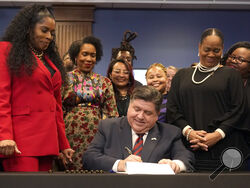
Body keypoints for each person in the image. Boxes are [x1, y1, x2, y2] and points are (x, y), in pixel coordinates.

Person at [0, 4, 74, 172]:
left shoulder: (49, 60)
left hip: (47, 141)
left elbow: (57, 108)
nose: (49, 37)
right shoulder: (6, 50)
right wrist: (4, 136)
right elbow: (1, 97)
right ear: (28, 29)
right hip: (20, 142)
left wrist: (63, 144)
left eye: (52, 33)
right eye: (44, 30)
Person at [166, 28, 249, 171]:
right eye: (207, 49)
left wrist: (217, 135)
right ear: (199, 47)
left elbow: (238, 109)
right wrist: (189, 132)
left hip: (224, 148)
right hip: (188, 148)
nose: (211, 54)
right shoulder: (181, 75)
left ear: (222, 50)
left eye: (216, 50)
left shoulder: (231, 75)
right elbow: (172, 110)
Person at [83, 86, 194, 173]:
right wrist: (120, 164)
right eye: (136, 109)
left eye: (148, 112)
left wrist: (175, 165)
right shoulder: (108, 127)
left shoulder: (170, 133)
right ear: (129, 107)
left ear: (157, 115)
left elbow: (186, 158)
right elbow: (89, 158)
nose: (140, 116)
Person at [62, 36, 118, 170]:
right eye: (85, 54)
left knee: (96, 172)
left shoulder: (105, 82)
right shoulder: (63, 79)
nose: (89, 59)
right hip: (70, 134)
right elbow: (58, 109)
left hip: (98, 135)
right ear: (75, 56)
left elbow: (112, 113)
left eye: (93, 55)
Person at [223, 41, 250, 170]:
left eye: (241, 59)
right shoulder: (213, 81)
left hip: (245, 148)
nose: (234, 61)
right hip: (215, 143)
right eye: (232, 57)